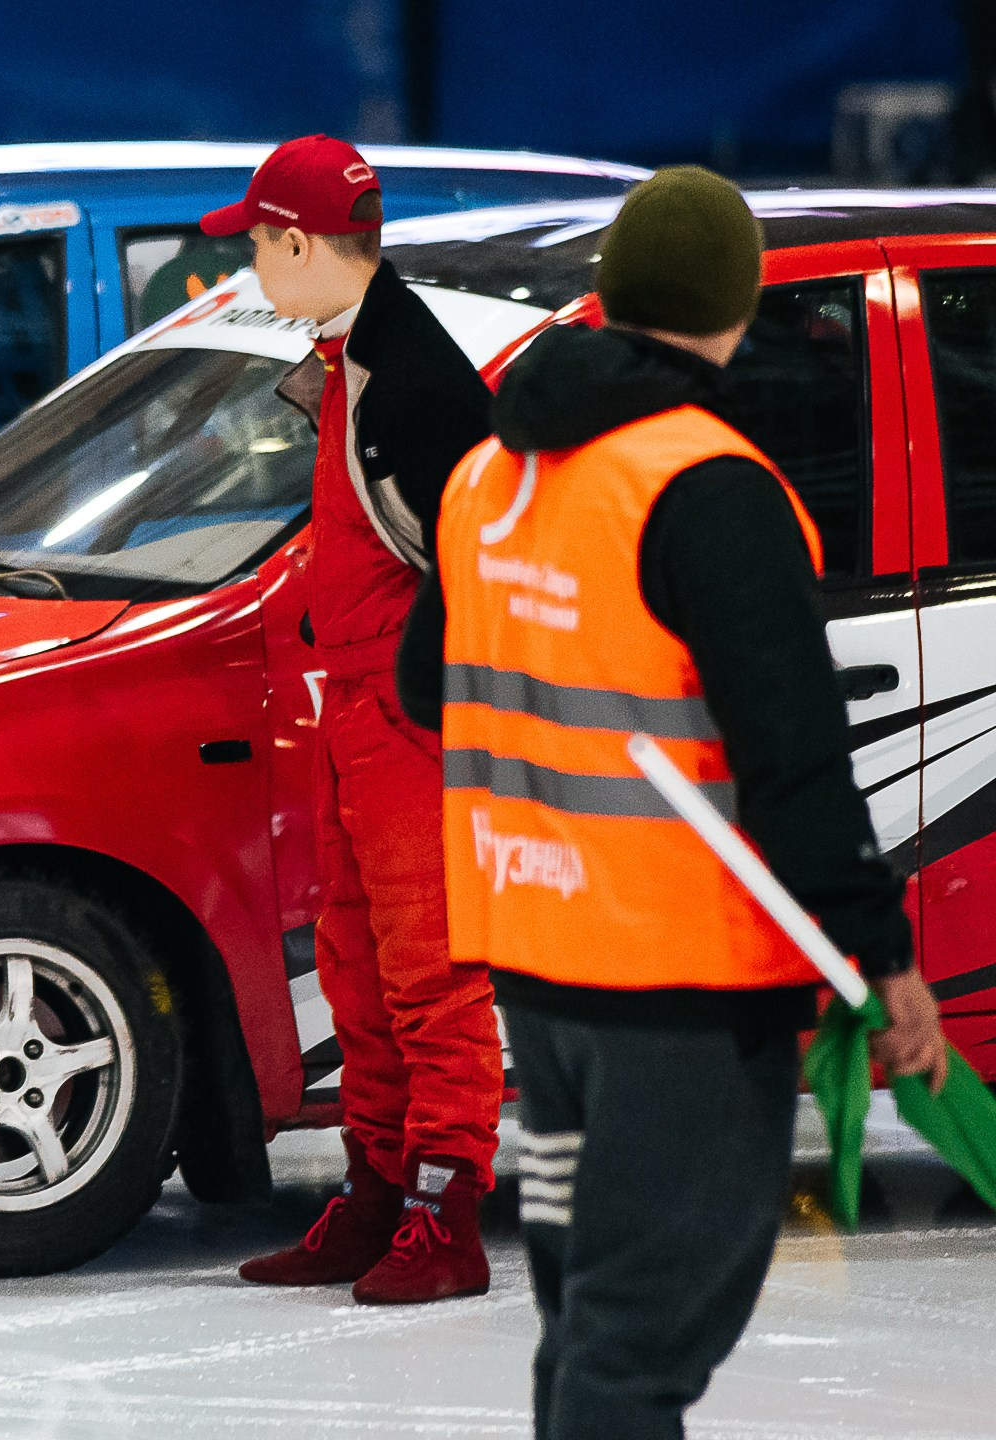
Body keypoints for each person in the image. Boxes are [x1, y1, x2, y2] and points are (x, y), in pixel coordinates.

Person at [398, 167, 950, 1437]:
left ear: (605, 293)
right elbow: (793, 755)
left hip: (537, 973)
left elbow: (429, 683)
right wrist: (879, 957)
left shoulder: (488, 476)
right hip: (677, 992)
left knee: (588, 1321)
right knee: (637, 1336)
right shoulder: (705, 483)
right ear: (738, 306)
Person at [207, 136, 505, 1304]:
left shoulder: (416, 382)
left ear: (297, 243)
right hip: (354, 710)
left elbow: (482, 566)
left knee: (431, 975)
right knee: (357, 969)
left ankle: (446, 1214)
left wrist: (425, 698)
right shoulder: (351, 361)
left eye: (256, 245)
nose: (251, 269)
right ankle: (377, 1193)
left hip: (408, 716)